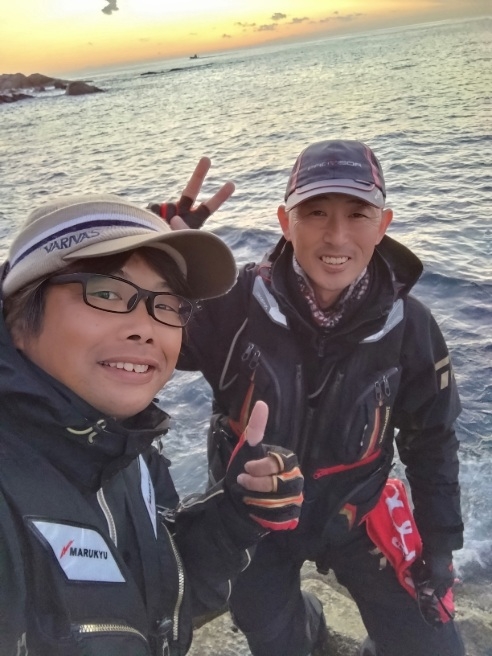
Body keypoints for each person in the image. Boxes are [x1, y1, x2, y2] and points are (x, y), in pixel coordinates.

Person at [149, 142, 465, 655]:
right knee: (277, 639)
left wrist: (441, 545)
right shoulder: (229, 305)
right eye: (315, 212)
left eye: (358, 213)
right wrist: (149, 258)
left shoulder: (412, 327)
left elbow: (432, 442)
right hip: (253, 519)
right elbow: (133, 343)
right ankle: (310, 621)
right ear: (284, 222)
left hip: (359, 513)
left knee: (435, 647)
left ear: (383, 225)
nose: (336, 235)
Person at [0, 193, 304, 656]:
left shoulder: (128, 449)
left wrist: (233, 516)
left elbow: (161, 595)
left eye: (166, 303)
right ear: (18, 320)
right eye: (106, 293)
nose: (145, 328)